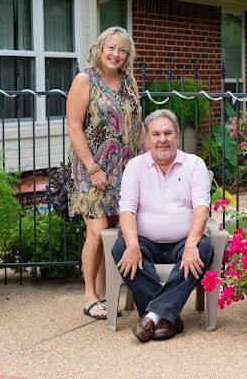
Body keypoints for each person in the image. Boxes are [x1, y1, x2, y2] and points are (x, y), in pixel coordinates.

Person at [112, 109, 214, 342]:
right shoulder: (135, 166)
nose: (162, 139)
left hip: (182, 242)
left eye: (168, 133)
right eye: (156, 133)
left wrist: (191, 245)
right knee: (121, 249)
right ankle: (168, 318)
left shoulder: (194, 164)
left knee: (204, 249)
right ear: (147, 138)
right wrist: (132, 244)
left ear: (177, 136)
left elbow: (201, 207)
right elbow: (126, 208)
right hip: (146, 242)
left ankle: (152, 316)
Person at [67, 27, 143, 320]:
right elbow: (74, 128)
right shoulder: (85, 80)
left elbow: (137, 124)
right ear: (100, 48)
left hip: (124, 168)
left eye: (122, 50)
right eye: (111, 48)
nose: (115, 54)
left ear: (127, 55)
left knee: (112, 233)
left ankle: (103, 294)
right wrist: (93, 168)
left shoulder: (129, 81)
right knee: (97, 233)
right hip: (92, 169)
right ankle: (89, 295)